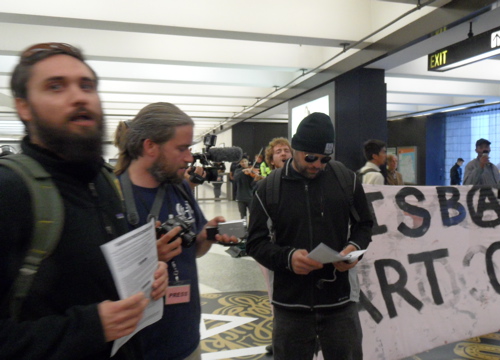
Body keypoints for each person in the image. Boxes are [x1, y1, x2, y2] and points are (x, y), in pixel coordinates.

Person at [0, 42, 168, 359]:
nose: (79, 96)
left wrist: (148, 276)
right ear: (24, 107)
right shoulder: (10, 191)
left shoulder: (104, 181)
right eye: (55, 86)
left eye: (86, 85)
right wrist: (89, 327)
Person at [113, 102, 237, 360]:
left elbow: (195, 252)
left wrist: (205, 236)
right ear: (150, 146)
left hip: (186, 339)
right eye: (181, 148)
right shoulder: (113, 198)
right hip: (138, 348)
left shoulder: (179, 187)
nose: (189, 158)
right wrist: (150, 259)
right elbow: (97, 284)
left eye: (189, 149)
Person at [246, 112, 373, 360]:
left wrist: (353, 248)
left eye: (325, 159)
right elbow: (255, 243)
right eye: (311, 157)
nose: (318, 165)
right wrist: (288, 258)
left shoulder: (346, 180)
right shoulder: (269, 187)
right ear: (295, 148)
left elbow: (365, 224)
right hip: (290, 307)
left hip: (340, 303)